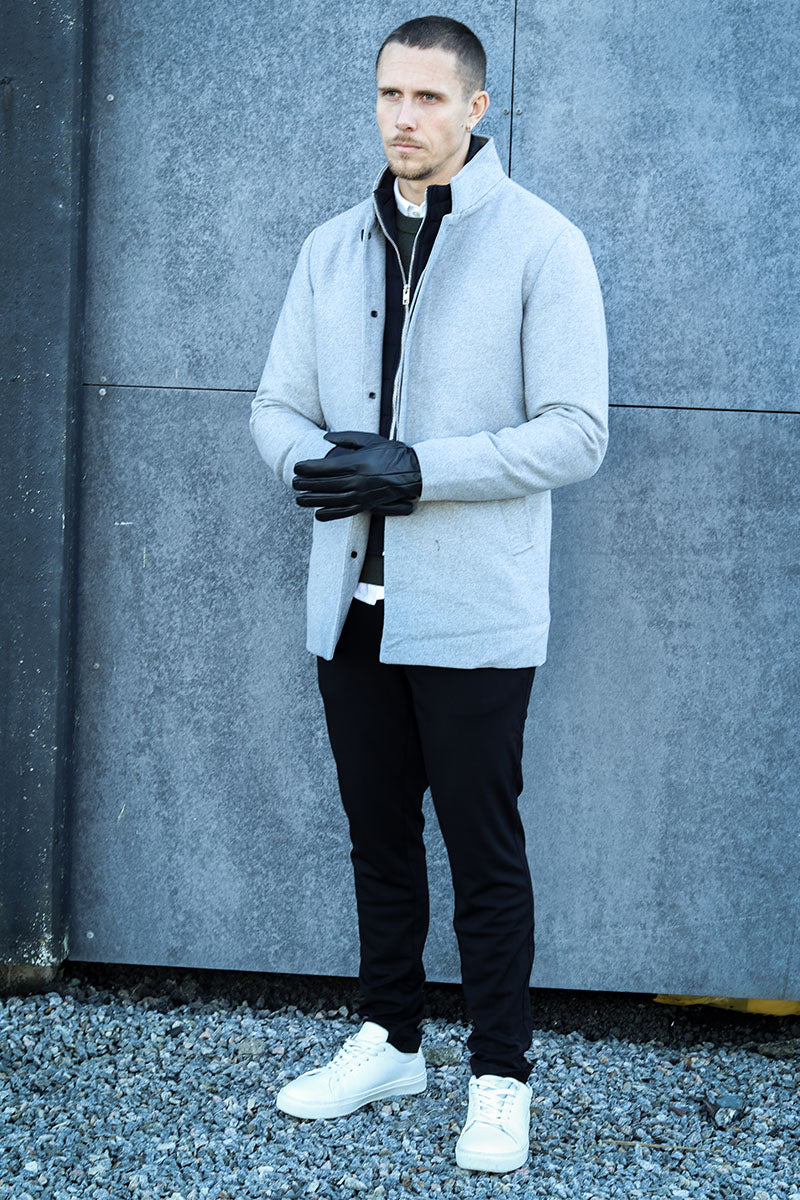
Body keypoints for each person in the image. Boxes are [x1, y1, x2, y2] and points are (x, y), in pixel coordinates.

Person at [249, 14, 608, 1175]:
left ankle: (499, 1077)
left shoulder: (542, 244)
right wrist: (316, 464)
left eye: (428, 98)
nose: (402, 117)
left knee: (482, 854)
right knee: (376, 840)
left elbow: (576, 432)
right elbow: (275, 404)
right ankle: (390, 1040)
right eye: (388, 95)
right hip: (347, 607)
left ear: (476, 107)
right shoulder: (328, 247)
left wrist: (415, 469)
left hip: (474, 615)